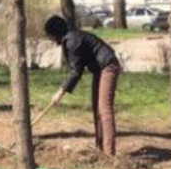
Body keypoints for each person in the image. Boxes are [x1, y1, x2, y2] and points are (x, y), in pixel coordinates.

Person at [44, 15, 121, 156]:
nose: (51, 40)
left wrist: (60, 92)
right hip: (99, 69)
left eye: (50, 36)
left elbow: (76, 72)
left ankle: (109, 155)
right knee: (96, 108)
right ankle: (100, 149)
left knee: (104, 109)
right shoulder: (70, 38)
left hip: (108, 66)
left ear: (56, 33)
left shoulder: (72, 40)